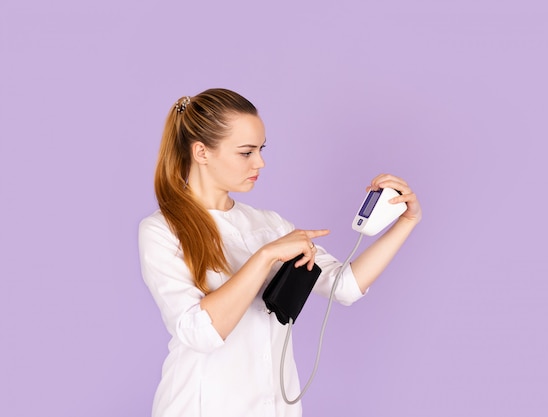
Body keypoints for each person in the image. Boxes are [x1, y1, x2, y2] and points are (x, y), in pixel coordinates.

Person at [138, 88, 422, 417]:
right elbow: (199, 332)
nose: (260, 162)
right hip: (201, 406)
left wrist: (407, 220)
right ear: (201, 152)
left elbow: (344, 285)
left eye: (261, 149)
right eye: (246, 152)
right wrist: (264, 258)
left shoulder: (270, 225)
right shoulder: (162, 230)